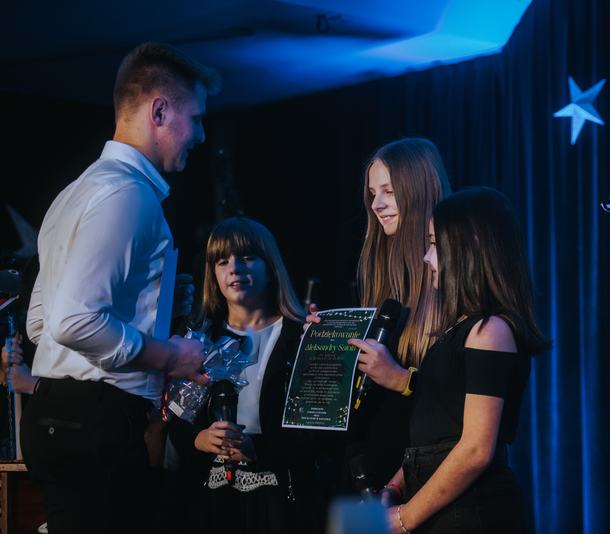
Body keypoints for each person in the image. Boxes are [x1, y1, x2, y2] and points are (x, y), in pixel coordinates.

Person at [20, 42, 219, 534]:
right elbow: (72, 321)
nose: (201, 134)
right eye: (195, 119)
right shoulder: (128, 194)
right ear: (159, 111)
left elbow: (40, 323)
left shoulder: (75, 191)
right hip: (97, 424)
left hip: (58, 417)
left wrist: (151, 303)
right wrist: (169, 356)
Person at [385, 187, 549, 533]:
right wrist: (395, 485)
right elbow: (438, 429)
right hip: (441, 509)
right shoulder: (461, 328)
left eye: (434, 244)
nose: (427, 257)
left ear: (468, 247)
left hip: (471, 514)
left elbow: (475, 448)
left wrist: (405, 517)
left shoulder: (490, 331)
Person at [308, 138, 451, 493]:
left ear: (420, 188)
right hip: (369, 471)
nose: (376, 204)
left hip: (428, 481)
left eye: (389, 191)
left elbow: (464, 401)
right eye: (373, 193)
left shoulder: (452, 278)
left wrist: (402, 379)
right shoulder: (376, 273)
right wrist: (326, 342)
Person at [168, 217, 323, 533]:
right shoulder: (198, 338)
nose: (235, 269)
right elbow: (176, 420)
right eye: (222, 261)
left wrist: (258, 449)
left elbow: (318, 432)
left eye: (247, 257)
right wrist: (199, 439)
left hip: (282, 501)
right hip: (212, 502)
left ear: (271, 266)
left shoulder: (302, 336)